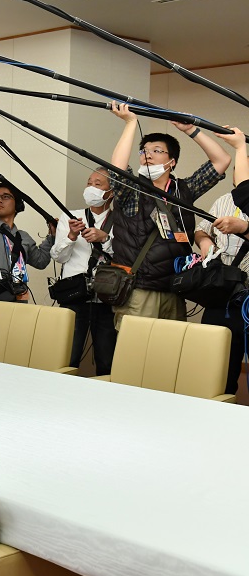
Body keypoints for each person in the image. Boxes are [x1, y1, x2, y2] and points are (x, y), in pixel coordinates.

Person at [107, 103, 230, 328]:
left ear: (171, 162)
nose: (148, 155)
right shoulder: (132, 189)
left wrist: (191, 130)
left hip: (176, 286)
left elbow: (221, 161)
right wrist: (130, 122)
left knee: (170, 353)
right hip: (139, 289)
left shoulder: (183, 190)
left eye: (157, 150)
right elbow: (117, 168)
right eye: (144, 150)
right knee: (137, 352)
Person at [0, 161, 55, 351]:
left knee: (15, 353)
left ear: (17, 205)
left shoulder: (23, 237)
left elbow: (41, 261)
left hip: (18, 300)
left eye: (6, 196)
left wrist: (51, 237)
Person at [195, 127, 249, 396]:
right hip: (221, 292)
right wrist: (205, 240)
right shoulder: (224, 200)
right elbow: (201, 228)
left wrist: (243, 228)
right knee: (215, 362)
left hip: (247, 296)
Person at [49, 169, 117, 375]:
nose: (91, 188)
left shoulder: (121, 221)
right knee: (67, 356)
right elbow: (58, 256)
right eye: (89, 183)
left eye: (98, 184)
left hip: (107, 296)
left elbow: (127, 258)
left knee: (107, 359)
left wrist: (105, 239)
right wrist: (71, 235)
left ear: (111, 192)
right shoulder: (71, 217)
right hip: (74, 294)